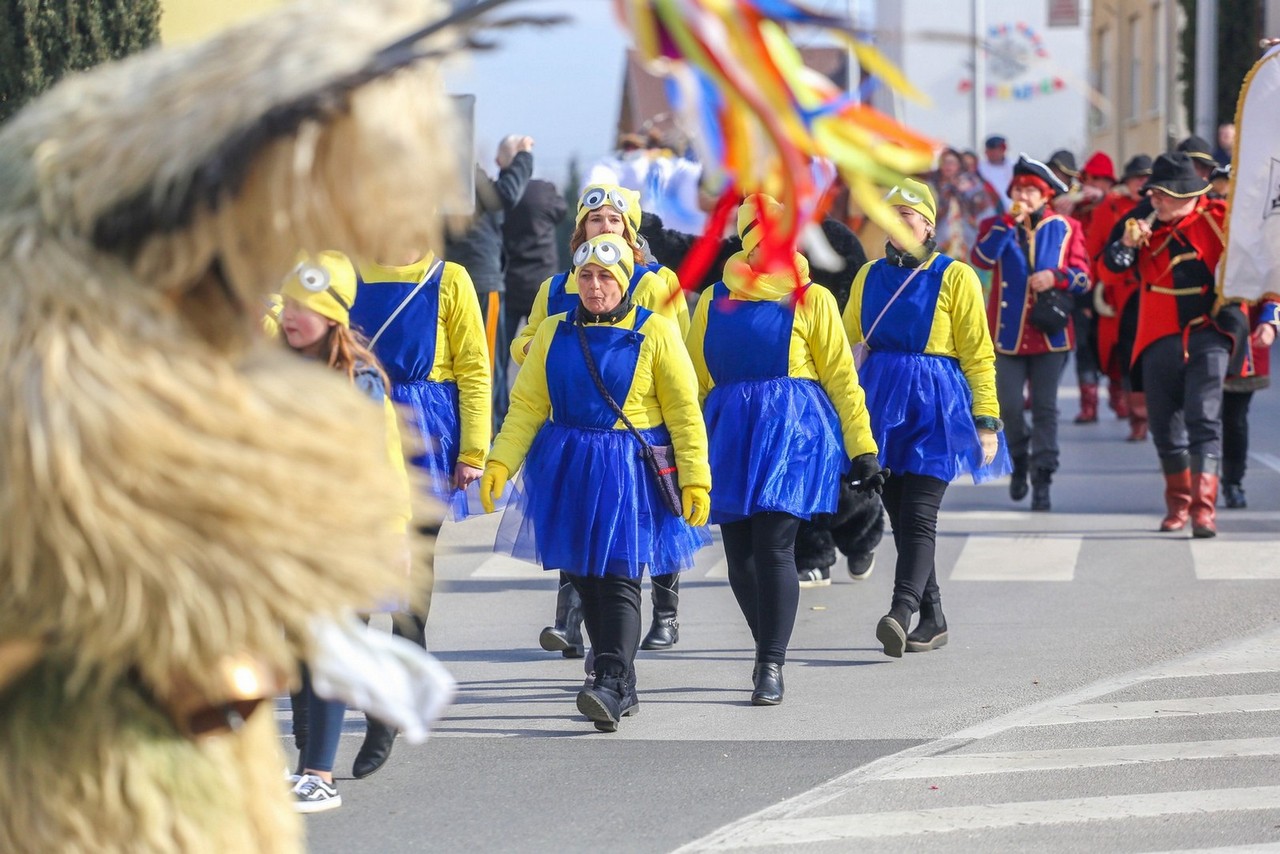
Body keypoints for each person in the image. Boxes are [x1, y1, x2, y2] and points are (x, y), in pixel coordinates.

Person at [480, 233, 711, 732]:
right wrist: (500, 461)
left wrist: (696, 480)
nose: (594, 285)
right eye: (585, 276)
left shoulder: (656, 333)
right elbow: (526, 405)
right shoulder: (553, 331)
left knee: (620, 580)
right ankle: (619, 681)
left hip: (626, 472)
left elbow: (684, 414)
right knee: (585, 578)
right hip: (566, 467)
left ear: (625, 280)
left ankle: (608, 677)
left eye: (606, 275)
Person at [686, 194, 883, 705]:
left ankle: (770, 662)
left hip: (793, 434)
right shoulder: (712, 300)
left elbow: (841, 376)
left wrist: (862, 446)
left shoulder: (812, 298)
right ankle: (765, 641)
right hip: (728, 431)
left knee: (774, 549)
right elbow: (692, 378)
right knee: (739, 560)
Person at [513, 183, 690, 656]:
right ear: (580, 229)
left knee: (644, 528)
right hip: (570, 421)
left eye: (614, 220)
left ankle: (664, 612)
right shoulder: (557, 286)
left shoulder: (655, 283)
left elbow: (677, 357)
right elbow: (528, 338)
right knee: (579, 525)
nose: (604, 227)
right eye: (595, 220)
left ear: (629, 230)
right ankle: (572, 624)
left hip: (635, 426)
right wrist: (537, 351)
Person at [844, 179, 1008, 657]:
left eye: (909, 214)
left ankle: (900, 610)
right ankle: (933, 617)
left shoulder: (956, 276)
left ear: (929, 223)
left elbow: (978, 354)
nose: (900, 223)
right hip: (880, 408)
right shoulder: (869, 275)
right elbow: (848, 342)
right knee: (899, 514)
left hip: (936, 407)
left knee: (919, 515)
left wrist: (987, 420)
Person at [277, 251, 411, 812]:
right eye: (286, 304)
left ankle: (318, 773)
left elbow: (380, 460)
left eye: (304, 308)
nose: (290, 316)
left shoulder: (356, 380)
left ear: (332, 317)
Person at [348, 248, 490, 774]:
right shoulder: (348, 270)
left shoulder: (448, 278)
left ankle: (407, 667)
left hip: (426, 431)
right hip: (359, 426)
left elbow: (474, 366)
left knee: (411, 568)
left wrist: (473, 450)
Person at [1102, 151, 1250, 537]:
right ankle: (1178, 505)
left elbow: (1254, 268)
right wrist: (1126, 245)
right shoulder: (1138, 225)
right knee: (1165, 427)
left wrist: (1268, 316)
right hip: (1156, 333)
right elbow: (1108, 269)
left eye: (1163, 195)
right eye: (1153, 194)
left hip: (1208, 333)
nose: (1155, 201)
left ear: (1186, 194)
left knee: (1204, 419)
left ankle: (1204, 510)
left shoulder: (1219, 221)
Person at [971, 155, 1090, 512]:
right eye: (1018, 189)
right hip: (1006, 337)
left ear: (1045, 195)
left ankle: (1042, 477)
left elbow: (1084, 276)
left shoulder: (1066, 228)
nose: (1023, 195)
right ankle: (1020, 458)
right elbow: (981, 258)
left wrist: (1057, 277)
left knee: (1045, 409)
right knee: (1007, 405)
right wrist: (1008, 223)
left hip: (1050, 335)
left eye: (1030, 190)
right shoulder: (997, 224)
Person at [446, 135, 534, 427]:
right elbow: (506, 195)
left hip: (446, 277)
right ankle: (489, 433)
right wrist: (522, 156)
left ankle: (472, 428)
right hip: (480, 281)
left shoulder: (431, 175)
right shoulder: (461, 169)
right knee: (485, 360)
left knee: (458, 359)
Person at [1064, 152, 1119, 424]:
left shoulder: (1114, 204)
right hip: (1082, 284)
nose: (1099, 184)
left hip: (1112, 283)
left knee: (1116, 344)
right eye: (1094, 179)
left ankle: (1120, 398)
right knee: (1084, 345)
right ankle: (1090, 405)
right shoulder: (1074, 204)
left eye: (1104, 180)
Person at [1222, 305, 1279, 507]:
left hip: (1243, 337)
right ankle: (1191, 481)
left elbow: (1273, 288)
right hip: (1198, 332)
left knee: (1234, 419)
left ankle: (1232, 482)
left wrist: (1270, 322)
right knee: (1198, 415)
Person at [503, 170, 568, 342]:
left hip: (510, 279)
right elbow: (561, 211)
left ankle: (498, 371)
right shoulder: (543, 191)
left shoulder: (503, 191)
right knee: (543, 342)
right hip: (541, 277)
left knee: (500, 351)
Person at [930, 147, 1002, 265]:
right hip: (939, 239)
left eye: (951, 162)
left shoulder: (971, 183)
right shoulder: (932, 184)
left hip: (968, 238)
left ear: (959, 165)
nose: (948, 166)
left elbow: (986, 211)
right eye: (944, 162)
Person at [977, 135, 1016, 213]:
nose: (995, 153)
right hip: (991, 211)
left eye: (998, 150)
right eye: (992, 151)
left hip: (1014, 209)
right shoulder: (980, 168)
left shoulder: (1014, 166)